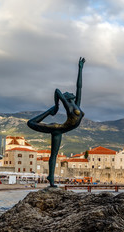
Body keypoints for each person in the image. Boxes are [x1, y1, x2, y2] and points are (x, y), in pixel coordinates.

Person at [27, 57, 85, 187]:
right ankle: (49, 111)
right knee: (31, 123)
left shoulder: (76, 105)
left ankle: (50, 177)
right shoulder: (69, 107)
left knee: (54, 154)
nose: (72, 92)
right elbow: (57, 91)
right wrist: (57, 107)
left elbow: (79, 87)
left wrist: (80, 68)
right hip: (57, 128)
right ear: (67, 97)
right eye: (69, 93)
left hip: (61, 130)